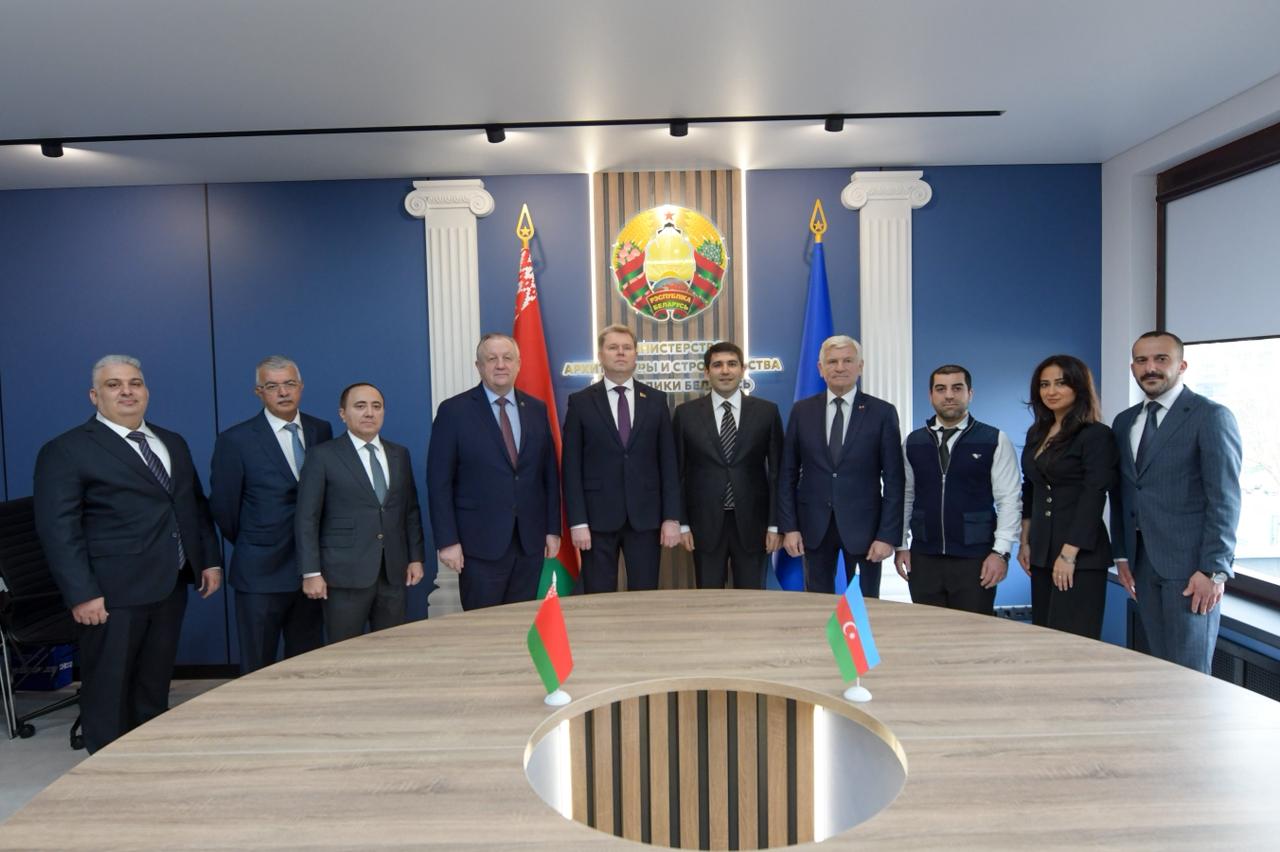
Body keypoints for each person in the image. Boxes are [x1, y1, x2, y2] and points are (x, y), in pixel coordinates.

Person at [33, 355, 222, 753]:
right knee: (109, 685)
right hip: (111, 592)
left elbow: (192, 505)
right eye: (113, 384)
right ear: (94, 395)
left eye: (134, 383)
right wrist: (82, 593)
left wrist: (208, 559)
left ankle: (146, 752)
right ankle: (105, 761)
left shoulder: (171, 441)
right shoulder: (66, 450)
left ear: (146, 391)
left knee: (154, 679)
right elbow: (58, 531)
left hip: (170, 582)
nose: (126, 391)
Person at [1110, 331, 1242, 674]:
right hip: (1142, 564)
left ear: (1181, 365)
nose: (1150, 368)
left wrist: (1213, 569)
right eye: (1141, 361)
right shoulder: (1125, 422)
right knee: (1160, 667)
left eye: (1161, 359)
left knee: (1190, 672)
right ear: (1133, 368)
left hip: (1192, 568)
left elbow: (1225, 499)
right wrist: (1122, 554)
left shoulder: (1210, 416)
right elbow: (1123, 493)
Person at [210, 355, 332, 674]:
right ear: (258, 392)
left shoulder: (321, 429)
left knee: (307, 662)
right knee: (257, 664)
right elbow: (224, 508)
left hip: (312, 569)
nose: (283, 392)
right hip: (260, 572)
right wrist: (257, 541)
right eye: (272, 386)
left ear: (301, 387)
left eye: (289, 384)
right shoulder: (235, 440)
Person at [427, 334, 561, 610]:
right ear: (479, 366)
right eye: (492, 359)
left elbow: (548, 475)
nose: (501, 365)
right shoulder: (454, 411)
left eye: (507, 358)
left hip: (529, 542)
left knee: (521, 620)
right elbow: (439, 482)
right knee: (482, 625)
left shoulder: (536, 409)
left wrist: (552, 529)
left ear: (518, 364)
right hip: (478, 545)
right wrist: (447, 541)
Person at [295, 382, 425, 642]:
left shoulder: (400, 454)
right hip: (343, 576)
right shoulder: (323, 456)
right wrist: (311, 572)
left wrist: (415, 558)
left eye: (376, 406)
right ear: (342, 413)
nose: (369, 413)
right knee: (344, 651)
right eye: (360, 406)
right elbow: (307, 518)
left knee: (391, 648)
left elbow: (410, 510)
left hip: (393, 573)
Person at [778, 335, 904, 596]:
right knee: (817, 605)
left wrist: (887, 535)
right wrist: (790, 527)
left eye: (848, 360)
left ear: (860, 366)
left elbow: (894, 480)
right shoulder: (802, 411)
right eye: (832, 361)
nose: (840, 367)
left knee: (863, 606)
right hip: (814, 528)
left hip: (866, 532)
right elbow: (787, 474)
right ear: (820, 369)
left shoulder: (882, 412)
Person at [562, 324, 681, 593]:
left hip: (646, 518)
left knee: (645, 594)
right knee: (598, 596)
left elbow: (669, 464)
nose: (620, 353)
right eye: (613, 347)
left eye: (627, 348)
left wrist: (671, 517)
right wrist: (578, 522)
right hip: (596, 520)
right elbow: (571, 468)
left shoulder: (656, 400)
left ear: (635, 355)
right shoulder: (580, 402)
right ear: (601, 355)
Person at [894, 365, 1021, 614]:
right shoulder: (913, 442)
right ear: (931, 395)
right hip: (924, 558)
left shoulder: (994, 439)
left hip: (976, 559)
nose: (949, 395)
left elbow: (1009, 500)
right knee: (929, 631)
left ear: (970, 393)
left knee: (973, 632)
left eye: (957, 388)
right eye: (941, 389)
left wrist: (1001, 553)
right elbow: (905, 496)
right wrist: (901, 546)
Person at [1017, 355, 1117, 639]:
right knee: (1045, 637)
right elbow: (1031, 487)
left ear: (1078, 387)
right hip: (1041, 551)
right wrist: (1025, 542)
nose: (1051, 391)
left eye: (1061, 383)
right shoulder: (1037, 433)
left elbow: (1093, 496)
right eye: (1044, 384)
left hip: (1080, 555)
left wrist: (1068, 554)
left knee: (1073, 641)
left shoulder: (1096, 435)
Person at [672, 341, 784, 589]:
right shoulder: (685, 414)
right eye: (718, 365)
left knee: (752, 598)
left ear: (742, 370)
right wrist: (683, 523)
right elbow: (676, 473)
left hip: (754, 524)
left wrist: (775, 524)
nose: (725, 371)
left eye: (732, 364)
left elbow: (778, 473)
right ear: (706, 372)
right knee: (709, 598)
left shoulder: (766, 412)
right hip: (704, 525)